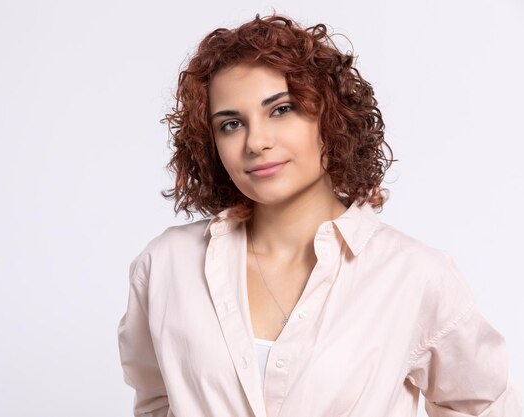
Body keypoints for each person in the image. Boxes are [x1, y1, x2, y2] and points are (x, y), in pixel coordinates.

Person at [117, 13, 522, 417]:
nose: (256, 142)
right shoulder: (166, 265)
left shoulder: (412, 275)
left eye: (281, 109)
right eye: (231, 124)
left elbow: (486, 404)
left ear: (330, 116)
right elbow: (156, 401)